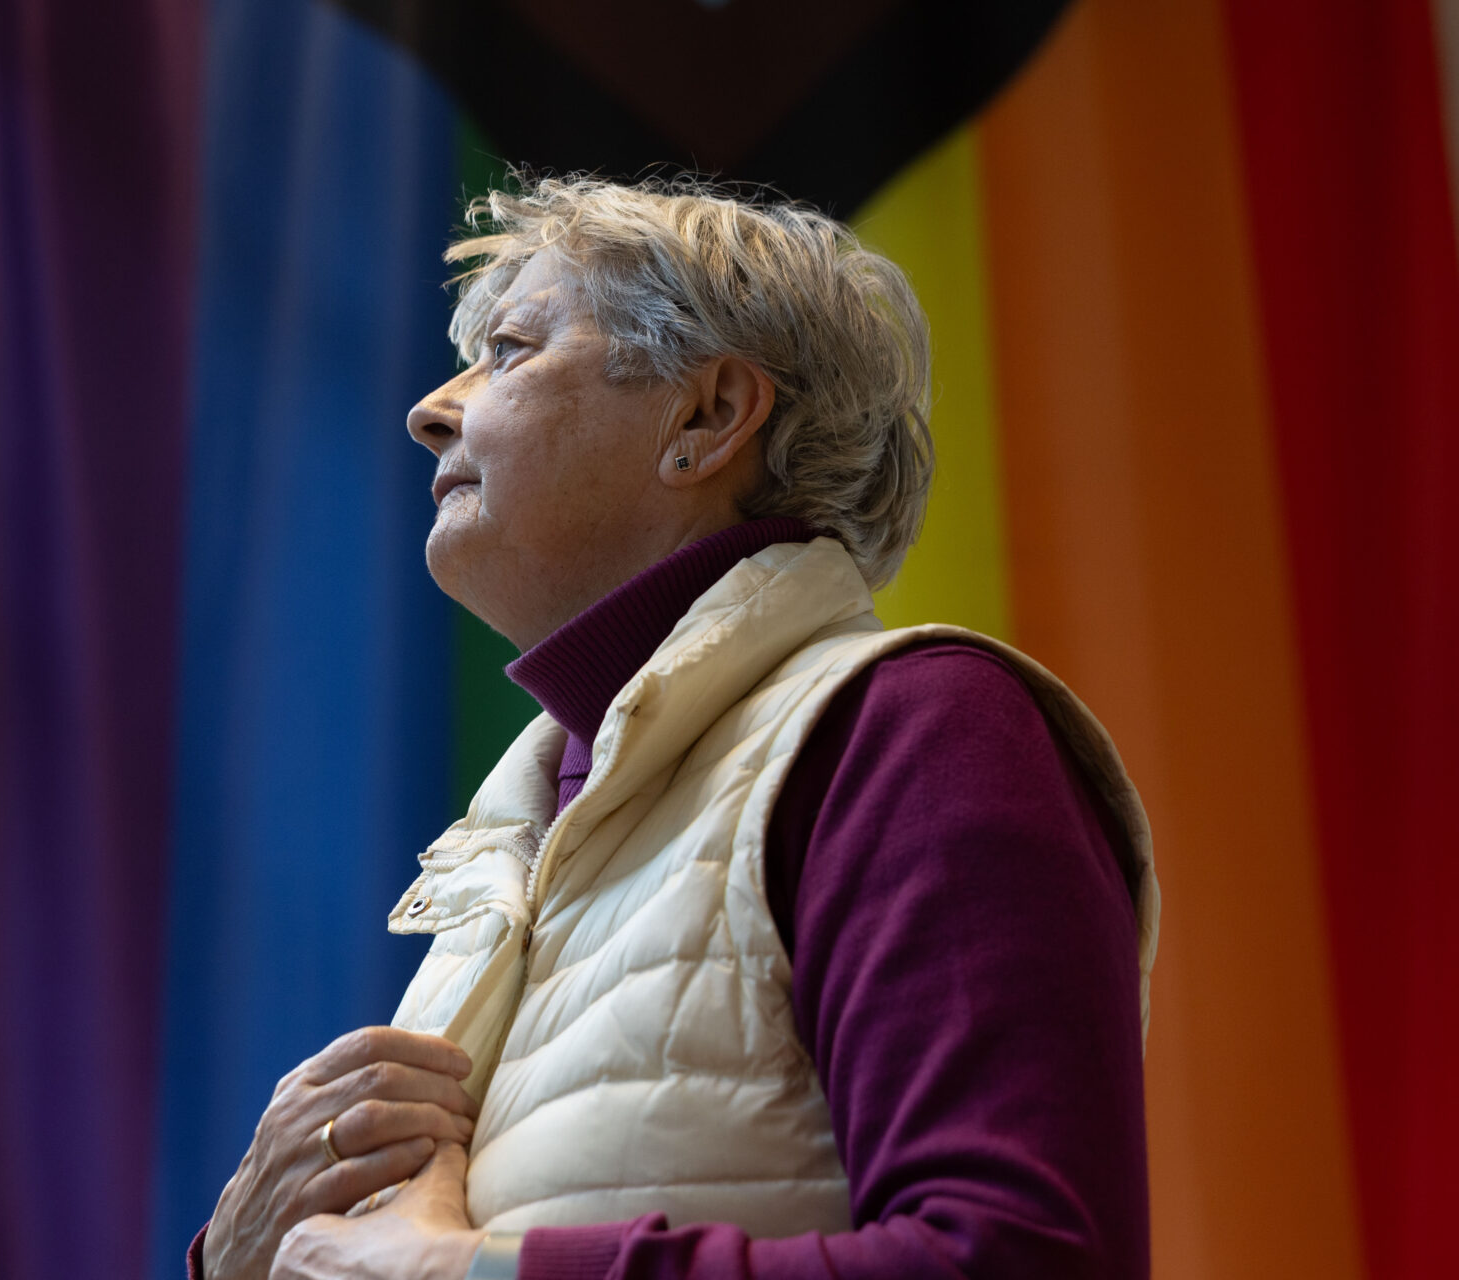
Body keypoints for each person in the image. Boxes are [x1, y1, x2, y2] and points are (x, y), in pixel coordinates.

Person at [193, 174, 1161, 1280]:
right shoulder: (515, 841)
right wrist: (236, 1254)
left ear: (706, 417)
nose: (431, 409)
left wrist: (479, 1274)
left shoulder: (917, 731)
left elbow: (1025, 1258)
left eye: (508, 350)